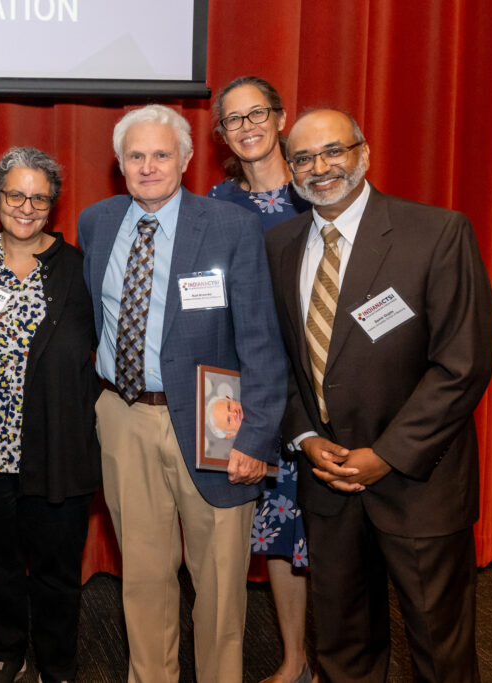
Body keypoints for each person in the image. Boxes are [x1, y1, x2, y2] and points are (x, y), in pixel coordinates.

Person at [265, 108, 492, 682]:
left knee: (440, 651)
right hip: (327, 483)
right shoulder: (280, 245)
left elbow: (462, 364)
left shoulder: (436, 232)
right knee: (344, 648)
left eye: (332, 152)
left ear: (362, 154)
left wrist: (385, 455)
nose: (319, 168)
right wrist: (306, 437)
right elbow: (281, 360)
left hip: (419, 482)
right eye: (302, 158)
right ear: (289, 168)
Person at [77, 104, 287, 683]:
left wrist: (257, 437)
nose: (149, 167)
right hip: (123, 416)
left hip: (213, 422)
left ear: (187, 159)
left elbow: (262, 342)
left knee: (219, 579)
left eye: (161, 154)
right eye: (136, 156)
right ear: (119, 164)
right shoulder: (97, 222)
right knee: (143, 576)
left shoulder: (230, 226)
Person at [0, 147, 100, 683]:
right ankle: (6, 649)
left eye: (39, 197)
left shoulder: (80, 270)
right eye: (16, 194)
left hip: (57, 448)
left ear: (52, 206)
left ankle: (57, 662)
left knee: (58, 569)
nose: (26, 206)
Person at [208, 76, 313, 683]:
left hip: (326, 387)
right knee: (278, 527)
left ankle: (342, 658)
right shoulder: (215, 207)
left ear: (279, 118)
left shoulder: (320, 192)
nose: (247, 127)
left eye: (257, 114)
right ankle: (295, 660)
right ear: (221, 132)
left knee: (332, 529)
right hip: (257, 394)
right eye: (233, 120)